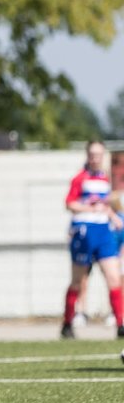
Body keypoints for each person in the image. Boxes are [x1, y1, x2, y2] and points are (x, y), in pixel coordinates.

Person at [60, 140, 124, 339]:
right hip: (84, 234)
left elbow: (106, 204)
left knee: (114, 277)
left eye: (99, 154)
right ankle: (68, 322)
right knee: (78, 282)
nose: (96, 158)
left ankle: (121, 324)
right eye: (93, 154)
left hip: (104, 233)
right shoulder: (80, 178)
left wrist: (114, 216)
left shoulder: (105, 179)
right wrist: (90, 208)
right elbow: (70, 203)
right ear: (87, 155)